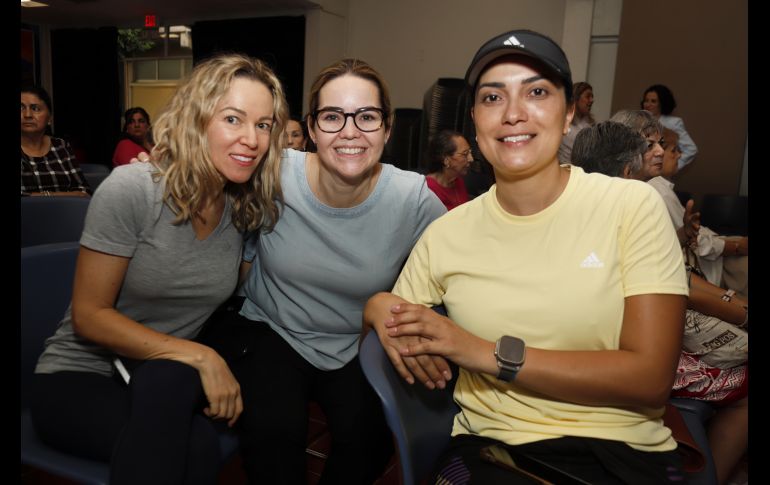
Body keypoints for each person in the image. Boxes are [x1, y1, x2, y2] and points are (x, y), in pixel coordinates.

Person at [364, 29, 689, 484]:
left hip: (622, 448)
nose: (514, 113)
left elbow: (650, 376)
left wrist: (484, 353)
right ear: (476, 121)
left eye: (536, 92)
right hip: (496, 449)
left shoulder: (630, 206)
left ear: (570, 111)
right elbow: (395, 319)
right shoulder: (447, 233)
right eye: (493, 97)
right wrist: (377, 306)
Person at [30, 54, 288, 485]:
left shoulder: (241, 210)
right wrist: (200, 356)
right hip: (78, 379)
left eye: (263, 125)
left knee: (187, 412)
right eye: (233, 119)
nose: (252, 139)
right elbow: (89, 316)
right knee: (191, 430)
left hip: (161, 381)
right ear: (196, 119)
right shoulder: (134, 189)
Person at [203, 58, 445, 484]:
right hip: (271, 328)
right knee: (274, 441)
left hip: (354, 342)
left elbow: (465, 261)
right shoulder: (273, 173)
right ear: (312, 129)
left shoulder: (412, 199)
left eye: (366, 117)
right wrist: (154, 175)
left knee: (369, 441)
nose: (349, 132)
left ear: (388, 129)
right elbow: (205, 174)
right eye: (333, 117)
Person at [572, 119, 748, 485]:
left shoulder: (575, 209)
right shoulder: (637, 208)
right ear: (625, 170)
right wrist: (736, 308)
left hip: (605, 347)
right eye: (647, 148)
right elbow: (681, 289)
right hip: (626, 359)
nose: (655, 154)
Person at [21, 85, 90, 197]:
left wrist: (41, 196)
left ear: (49, 119)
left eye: (35, 109)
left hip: (66, 213)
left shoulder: (61, 146)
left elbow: (84, 192)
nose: (27, 115)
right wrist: (56, 196)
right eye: (21, 108)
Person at [641, 84, 698, 170]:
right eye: (646, 100)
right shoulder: (638, 121)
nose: (648, 104)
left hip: (659, 176)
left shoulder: (673, 123)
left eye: (653, 101)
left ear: (662, 103)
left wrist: (670, 167)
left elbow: (691, 149)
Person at [425, 130, 473, 210]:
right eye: (465, 154)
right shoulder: (428, 190)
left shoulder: (458, 181)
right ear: (446, 160)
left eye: (470, 153)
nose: (471, 159)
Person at [557, 81, 594, 164]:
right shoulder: (562, 123)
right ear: (576, 98)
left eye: (592, 97)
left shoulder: (591, 126)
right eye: (588, 96)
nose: (592, 100)